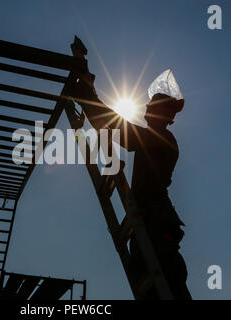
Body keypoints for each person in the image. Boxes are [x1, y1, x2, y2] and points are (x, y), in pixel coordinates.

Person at [71, 69, 192, 300]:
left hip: (155, 220)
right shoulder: (157, 139)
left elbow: (119, 130)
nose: (146, 108)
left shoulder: (161, 139)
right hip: (150, 218)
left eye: (152, 106)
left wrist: (88, 95)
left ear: (162, 113)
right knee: (151, 281)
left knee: (165, 282)